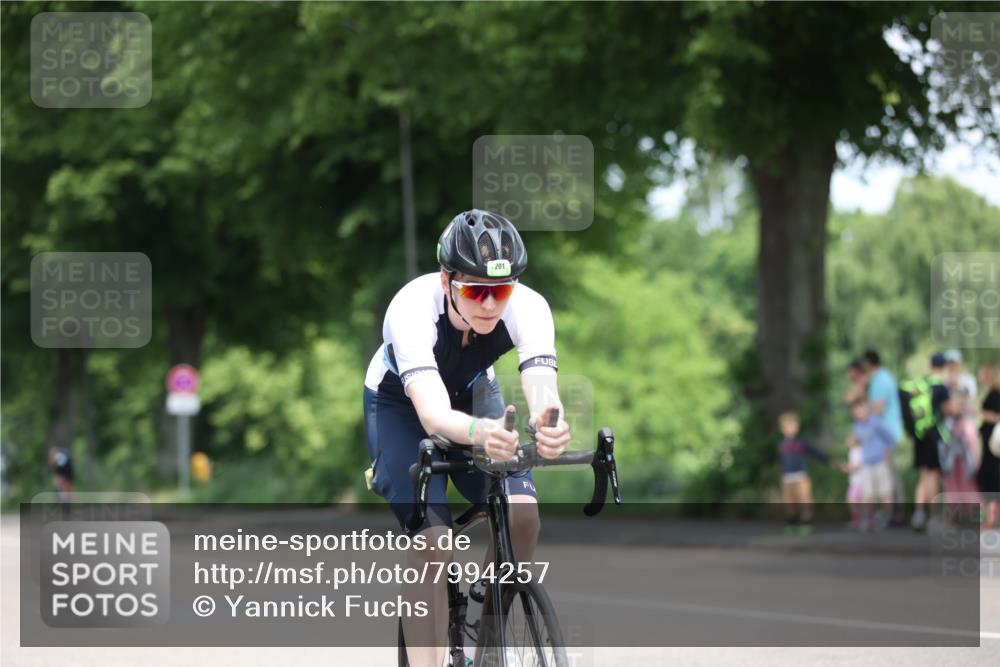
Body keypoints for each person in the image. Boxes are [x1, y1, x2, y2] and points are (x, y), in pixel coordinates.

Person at [362, 209, 571, 667]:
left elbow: (541, 388)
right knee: (433, 543)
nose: (490, 304)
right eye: (476, 290)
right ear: (445, 280)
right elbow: (433, 414)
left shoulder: (529, 306)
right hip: (401, 405)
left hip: (476, 392)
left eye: (501, 290)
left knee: (522, 516)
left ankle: (491, 646)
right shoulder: (411, 308)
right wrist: (482, 433)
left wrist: (549, 424)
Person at [900, 353, 951, 531]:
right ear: (943, 367)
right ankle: (934, 516)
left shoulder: (920, 385)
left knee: (923, 476)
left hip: (919, 436)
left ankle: (919, 513)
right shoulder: (940, 387)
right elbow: (948, 410)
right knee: (933, 476)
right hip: (934, 436)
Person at [861, 349, 905, 526]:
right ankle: (894, 513)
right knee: (889, 475)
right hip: (886, 434)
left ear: (867, 364)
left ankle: (895, 514)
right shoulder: (884, 377)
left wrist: (863, 409)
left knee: (888, 476)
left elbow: (878, 408)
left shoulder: (880, 380)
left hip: (886, 436)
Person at [777, 411, 834, 535]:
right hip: (787, 477)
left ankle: (807, 522)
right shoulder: (782, 445)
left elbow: (815, 453)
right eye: (788, 426)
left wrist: (828, 461)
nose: (791, 428)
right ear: (782, 429)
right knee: (790, 502)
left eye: (793, 425)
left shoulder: (801, 442)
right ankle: (791, 522)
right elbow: (780, 461)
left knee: (805, 500)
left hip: (801, 475)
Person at [849, 399, 897, 531]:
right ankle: (866, 520)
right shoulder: (856, 427)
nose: (859, 413)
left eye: (861, 409)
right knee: (867, 494)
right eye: (856, 411)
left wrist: (888, 452)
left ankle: (889, 518)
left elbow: (890, 439)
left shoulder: (875, 422)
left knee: (885, 493)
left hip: (880, 462)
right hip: (867, 463)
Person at [978, 362, 1000, 529]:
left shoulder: (995, 394)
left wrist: (980, 413)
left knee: (990, 481)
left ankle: (991, 519)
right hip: (991, 445)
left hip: (994, 447)